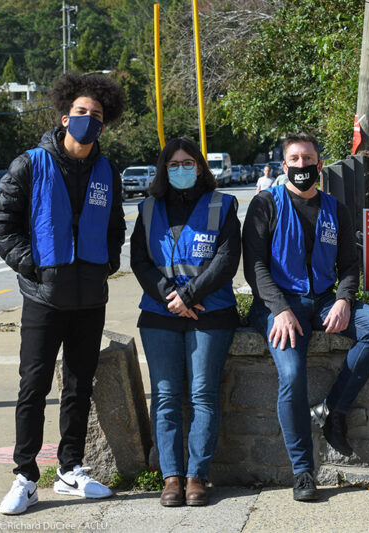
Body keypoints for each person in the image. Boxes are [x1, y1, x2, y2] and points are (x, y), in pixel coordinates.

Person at [0, 72, 126, 514]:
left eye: (97, 115)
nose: (88, 120)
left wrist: (107, 262)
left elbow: (115, 226)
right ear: (65, 115)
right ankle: (26, 476)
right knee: (33, 386)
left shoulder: (108, 171)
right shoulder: (30, 163)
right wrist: (32, 266)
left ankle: (70, 469)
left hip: (90, 300)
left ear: (105, 124)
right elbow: (0, 224)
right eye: (82, 112)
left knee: (79, 386)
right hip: (44, 298)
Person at [243, 132, 369, 501]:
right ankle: (302, 472)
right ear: (283, 166)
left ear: (319, 164)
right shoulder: (266, 204)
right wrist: (278, 310)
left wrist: (344, 300)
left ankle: (333, 410)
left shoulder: (334, 208)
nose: (301, 166)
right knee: (292, 375)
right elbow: (255, 267)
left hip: (324, 300)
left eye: (308, 159)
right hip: (279, 305)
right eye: (294, 160)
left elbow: (348, 265)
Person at [130, 137, 241, 506]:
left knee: (203, 395)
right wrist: (170, 296)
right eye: (173, 164)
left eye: (188, 162)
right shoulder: (147, 209)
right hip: (160, 315)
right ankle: (171, 478)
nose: (181, 169)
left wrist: (189, 296)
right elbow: (140, 262)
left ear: (200, 167)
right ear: (164, 169)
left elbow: (226, 259)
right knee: (165, 397)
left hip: (211, 312)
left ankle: (197, 477)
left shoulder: (223, 205)